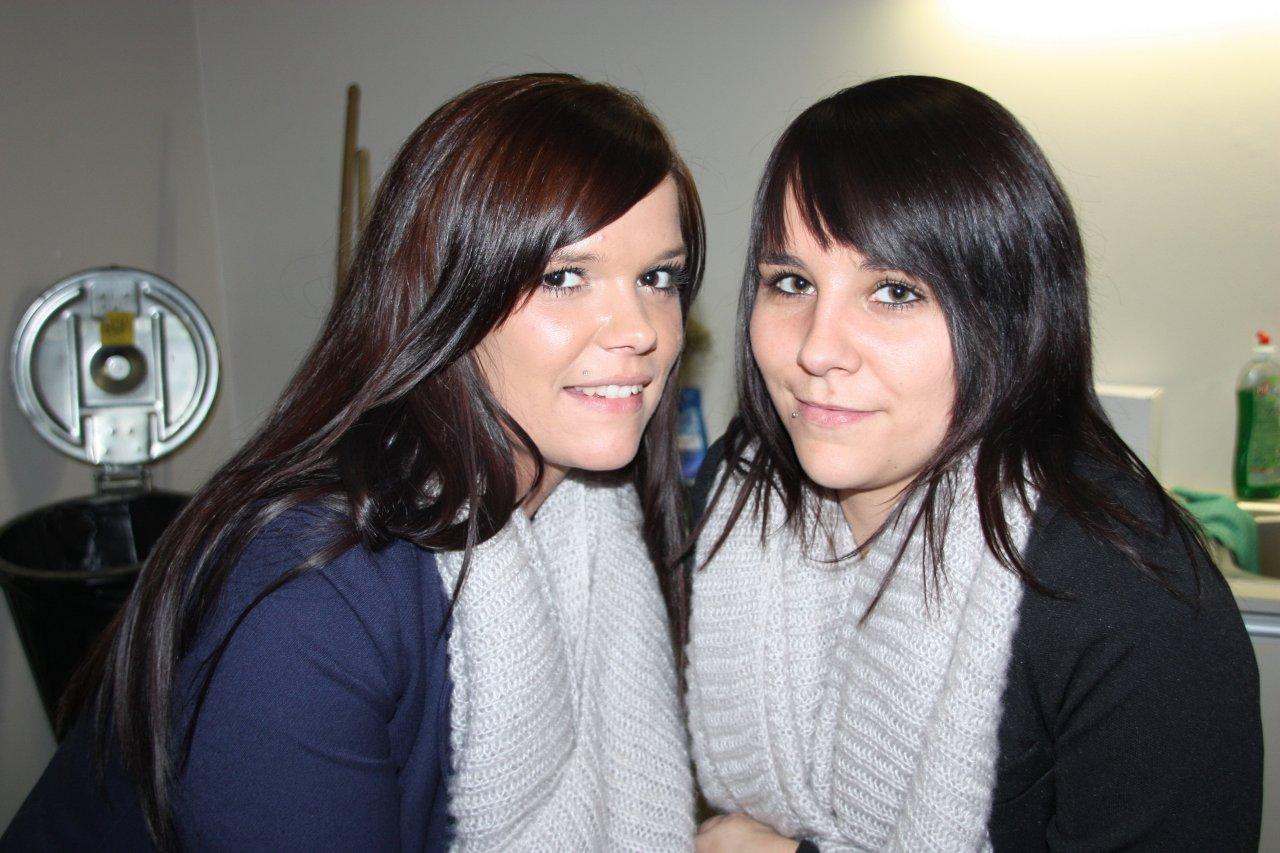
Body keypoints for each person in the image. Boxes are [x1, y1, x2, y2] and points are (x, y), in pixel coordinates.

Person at [3, 73, 703, 852]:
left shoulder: (591, 523)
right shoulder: (311, 594)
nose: (640, 328)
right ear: (443, 295)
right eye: (564, 277)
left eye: (658, 277)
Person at [685, 75, 1262, 852]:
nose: (817, 348)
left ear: (1007, 314)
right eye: (791, 283)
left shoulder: (1128, 598)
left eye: (894, 291)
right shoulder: (737, 490)